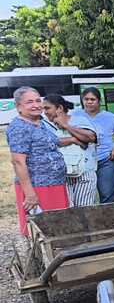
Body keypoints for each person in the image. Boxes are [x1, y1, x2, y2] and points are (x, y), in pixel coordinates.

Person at [7, 87, 69, 235]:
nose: (36, 105)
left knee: (59, 226)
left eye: (37, 100)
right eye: (29, 102)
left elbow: (51, 143)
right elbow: (18, 162)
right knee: (42, 230)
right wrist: (29, 194)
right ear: (18, 106)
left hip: (55, 184)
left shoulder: (40, 122)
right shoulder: (18, 127)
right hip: (38, 187)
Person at [72, 87, 114, 203]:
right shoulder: (75, 115)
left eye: (93, 99)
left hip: (106, 159)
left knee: (106, 194)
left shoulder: (109, 116)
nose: (89, 102)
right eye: (86, 99)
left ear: (99, 101)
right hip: (83, 161)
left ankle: (109, 219)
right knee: (83, 196)